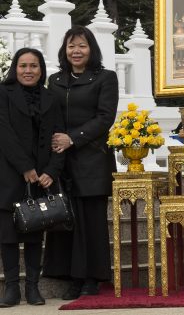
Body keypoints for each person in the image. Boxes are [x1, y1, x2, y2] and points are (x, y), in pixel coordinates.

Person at [42, 25, 118, 300]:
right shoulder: (56, 79)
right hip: (61, 161)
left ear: (91, 49)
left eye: (82, 46)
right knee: (65, 219)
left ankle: (92, 278)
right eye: (71, 46)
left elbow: (105, 117)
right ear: (65, 49)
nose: (76, 51)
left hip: (93, 159)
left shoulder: (105, 78)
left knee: (92, 221)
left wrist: (72, 138)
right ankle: (71, 277)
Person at [0, 48, 64, 307]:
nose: (28, 71)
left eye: (34, 66)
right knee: (8, 235)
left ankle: (33, 288)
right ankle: (12, 288)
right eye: (23, 65)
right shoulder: (3, 93)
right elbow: (3, 132)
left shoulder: (51, 97)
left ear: (41, 70)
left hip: (41, 176)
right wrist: (25, 167)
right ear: (15, 68)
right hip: (10, 173)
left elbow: (59, 137)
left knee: (35, 232)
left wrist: (51, 170)